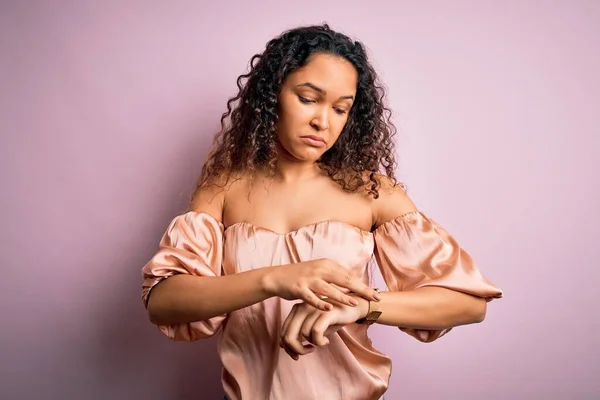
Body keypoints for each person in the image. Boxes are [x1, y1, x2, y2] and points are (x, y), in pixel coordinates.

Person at [141, 24, 503, 400]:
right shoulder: (223, 190)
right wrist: (275, 279)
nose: (323, 122)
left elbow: (468, 304)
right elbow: (163, 301)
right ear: (271, 96)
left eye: (341, 108)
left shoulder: (372, 193)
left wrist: (364, 307)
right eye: (308, 98)